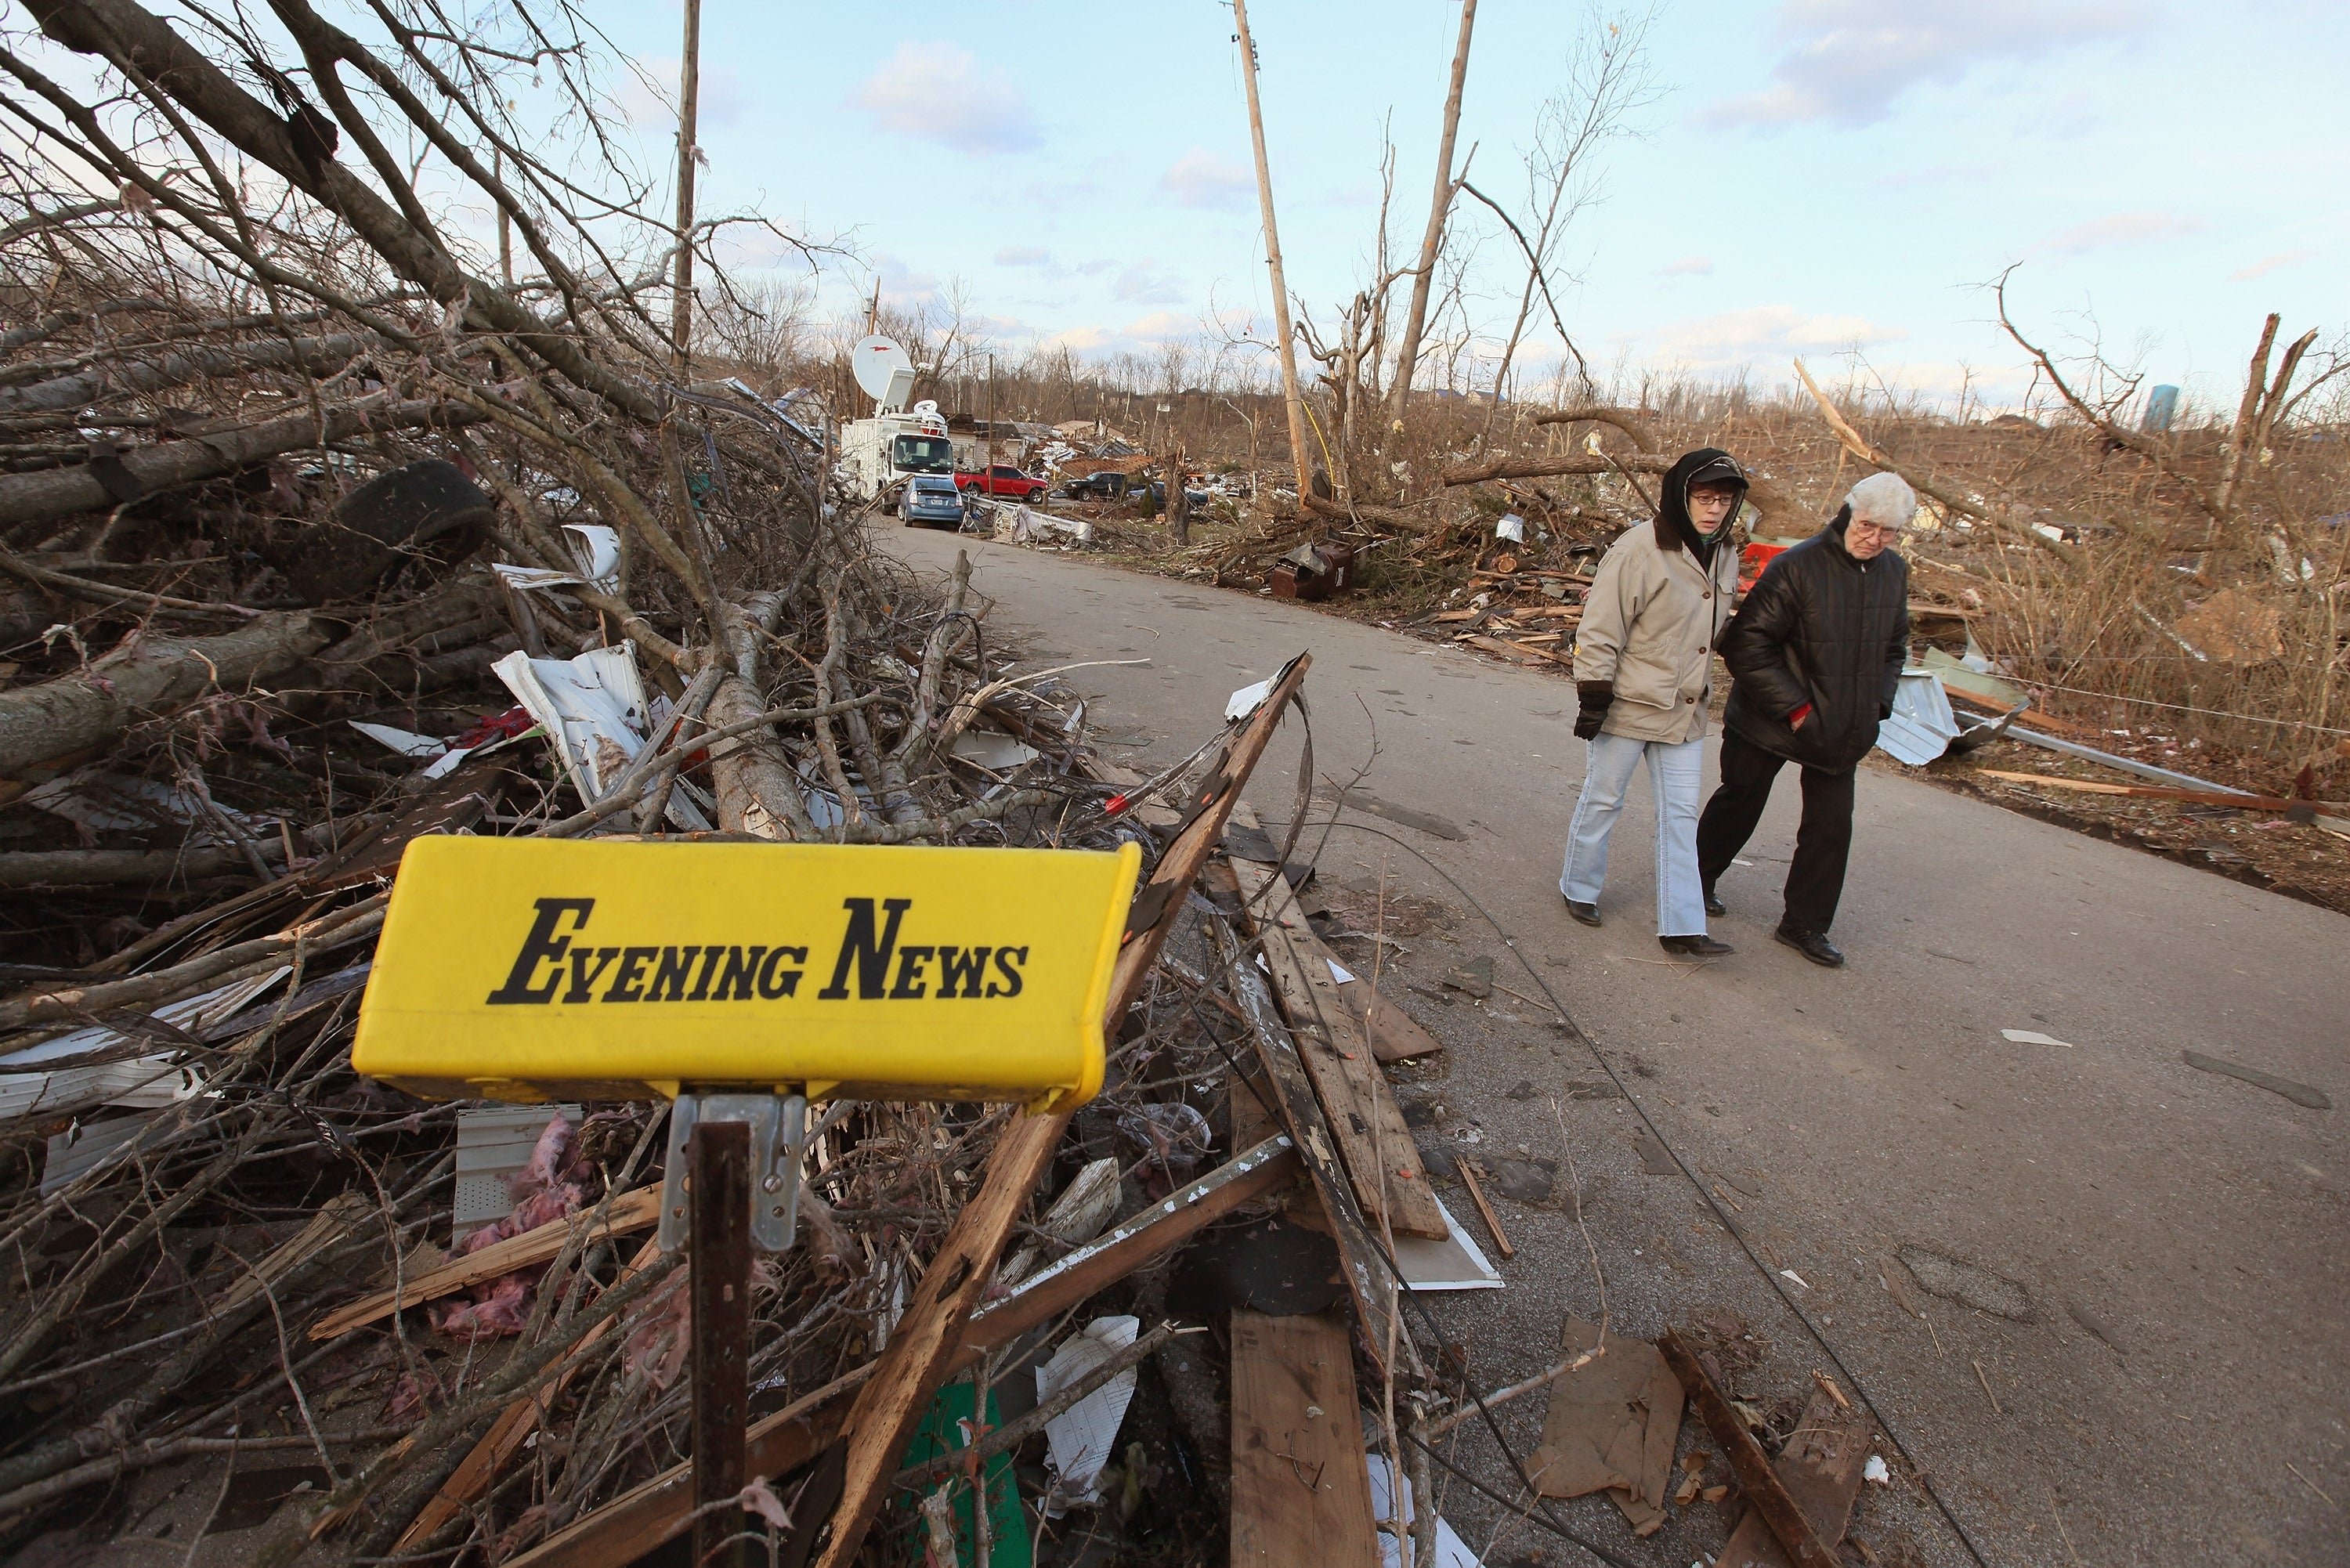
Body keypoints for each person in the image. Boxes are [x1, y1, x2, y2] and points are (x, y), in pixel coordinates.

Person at [1696, 471, 1915, 967]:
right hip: (1770, 718)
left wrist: (1877, 703)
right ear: (1846, 514)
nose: (1875, 540)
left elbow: (1895, 648)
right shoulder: (1798, 566)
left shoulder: (1893, 573)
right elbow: (1747, 644)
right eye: (1868, 526)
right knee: (1740, 801)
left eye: (1888, 532)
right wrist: (1795, 708)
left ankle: (1805, 924)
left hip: (1844, 726)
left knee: (1830, 827)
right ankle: (1696, 881)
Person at [1560, 448, 1747, 956]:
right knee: (1603, 800)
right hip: (1629, 704)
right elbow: (1600, 627)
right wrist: (1594, 698)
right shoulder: (1639, 549)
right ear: (1682, 497)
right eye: (1704, 498)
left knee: (1682, 815)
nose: (1713, 509)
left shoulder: (1726, 554)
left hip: (1685, 711)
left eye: (1723, 500)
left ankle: (1684, 926)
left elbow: (1714, 629)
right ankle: (1579, 888)